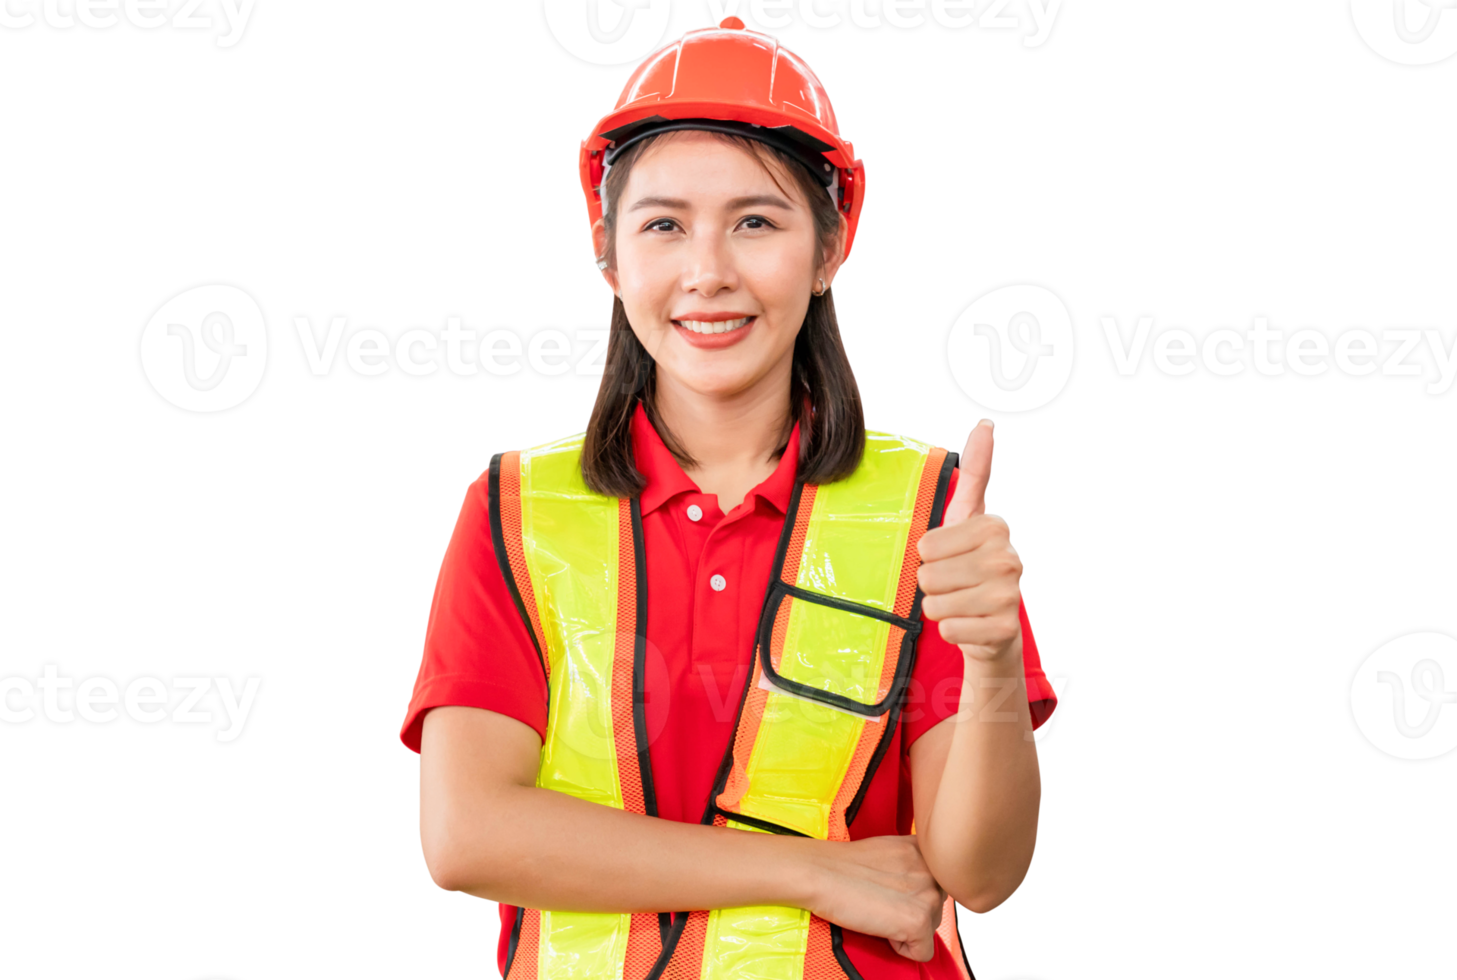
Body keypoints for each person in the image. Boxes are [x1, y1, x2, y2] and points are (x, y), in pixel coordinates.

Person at [398, 17, 1057, 980]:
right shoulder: (514, 506)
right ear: (609, 256)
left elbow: (981, 874)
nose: (708, 271)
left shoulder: (929, 505)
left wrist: (993, 659)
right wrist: (813, 874)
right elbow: (466, 836)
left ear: (831, 247)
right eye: (663, 224)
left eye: (757, 220)